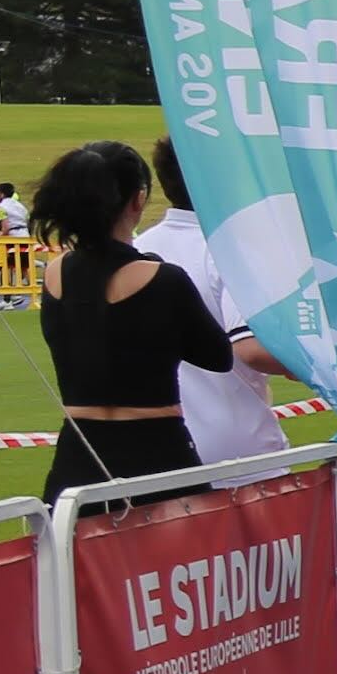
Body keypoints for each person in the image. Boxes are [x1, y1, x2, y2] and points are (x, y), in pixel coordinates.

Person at [30, 140, 283, 500]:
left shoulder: (55, 274)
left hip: (78, 453)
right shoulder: (163, 279)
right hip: (156, 451)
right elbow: (217, 355)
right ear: (137, 200)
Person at [136, 143, 286, 459]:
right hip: (238, 451)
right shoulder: (234, 249)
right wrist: (322, 367)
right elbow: (250, 349)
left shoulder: (139, 248)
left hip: (160, 446)